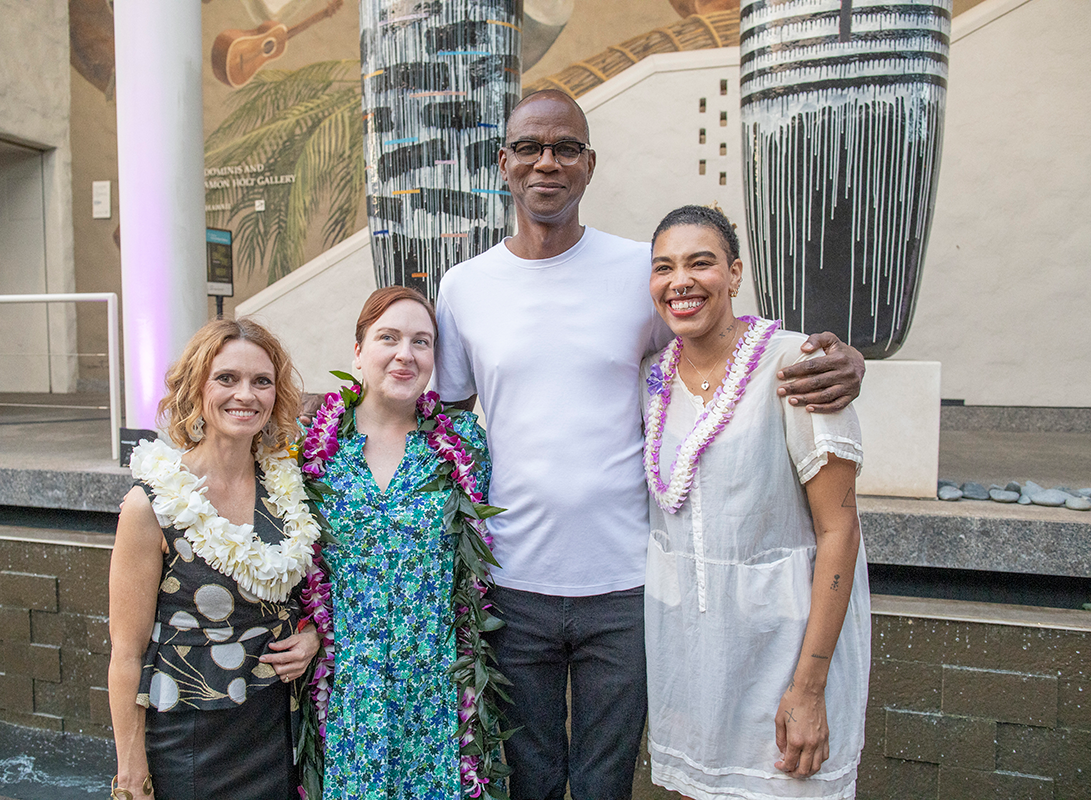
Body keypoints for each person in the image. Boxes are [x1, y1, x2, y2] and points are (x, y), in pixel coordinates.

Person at [432, 90, 866, 799]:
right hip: (512, 586)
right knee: (529, 781)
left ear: (589, 164)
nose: (549, 163)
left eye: (566, 148)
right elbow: (441, 425)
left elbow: (727, 347)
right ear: (502, 161)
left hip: (629, 585)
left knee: (607, 784)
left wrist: (843, 360)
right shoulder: (465, 288)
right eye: (531, 148)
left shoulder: (645, 272)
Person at [642, 205, 869, 799]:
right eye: (664, 267)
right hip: (689, 654)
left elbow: (840, 534)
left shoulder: (798, 368)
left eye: (701, 263)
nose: (680, 281)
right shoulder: (652, 378)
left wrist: (809, 689)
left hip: (783, 654)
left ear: (736, 273)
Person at [108, 318, 321, 800]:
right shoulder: (152, 505)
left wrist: (310, 637)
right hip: (189, 739)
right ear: (197, 387)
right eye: (227, 378)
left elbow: (318, 596)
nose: (245, 394)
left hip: (276, 727)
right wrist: (131, 773)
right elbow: (125, 653)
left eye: (261, 381)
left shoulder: (289, 493)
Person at [301, 286, 499, 799]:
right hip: (348, 687)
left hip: (435, 687)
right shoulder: (313, 450)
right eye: (388, 337)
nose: (404, 354)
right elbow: (285, 557)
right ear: (358, 351)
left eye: (421, 342)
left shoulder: (462, 446)